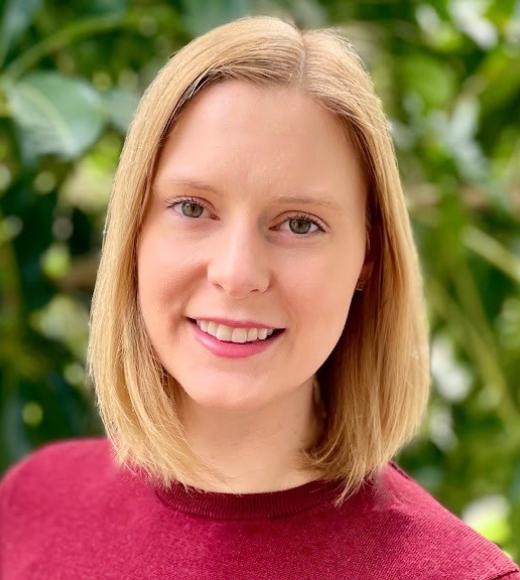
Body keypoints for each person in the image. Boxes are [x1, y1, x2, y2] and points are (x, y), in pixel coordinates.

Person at [0, 14, 518, 580]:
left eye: (299, 224)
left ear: (368, 256)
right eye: (193, 208)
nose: (237, 272)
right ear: (134, 234)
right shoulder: (32, 504)